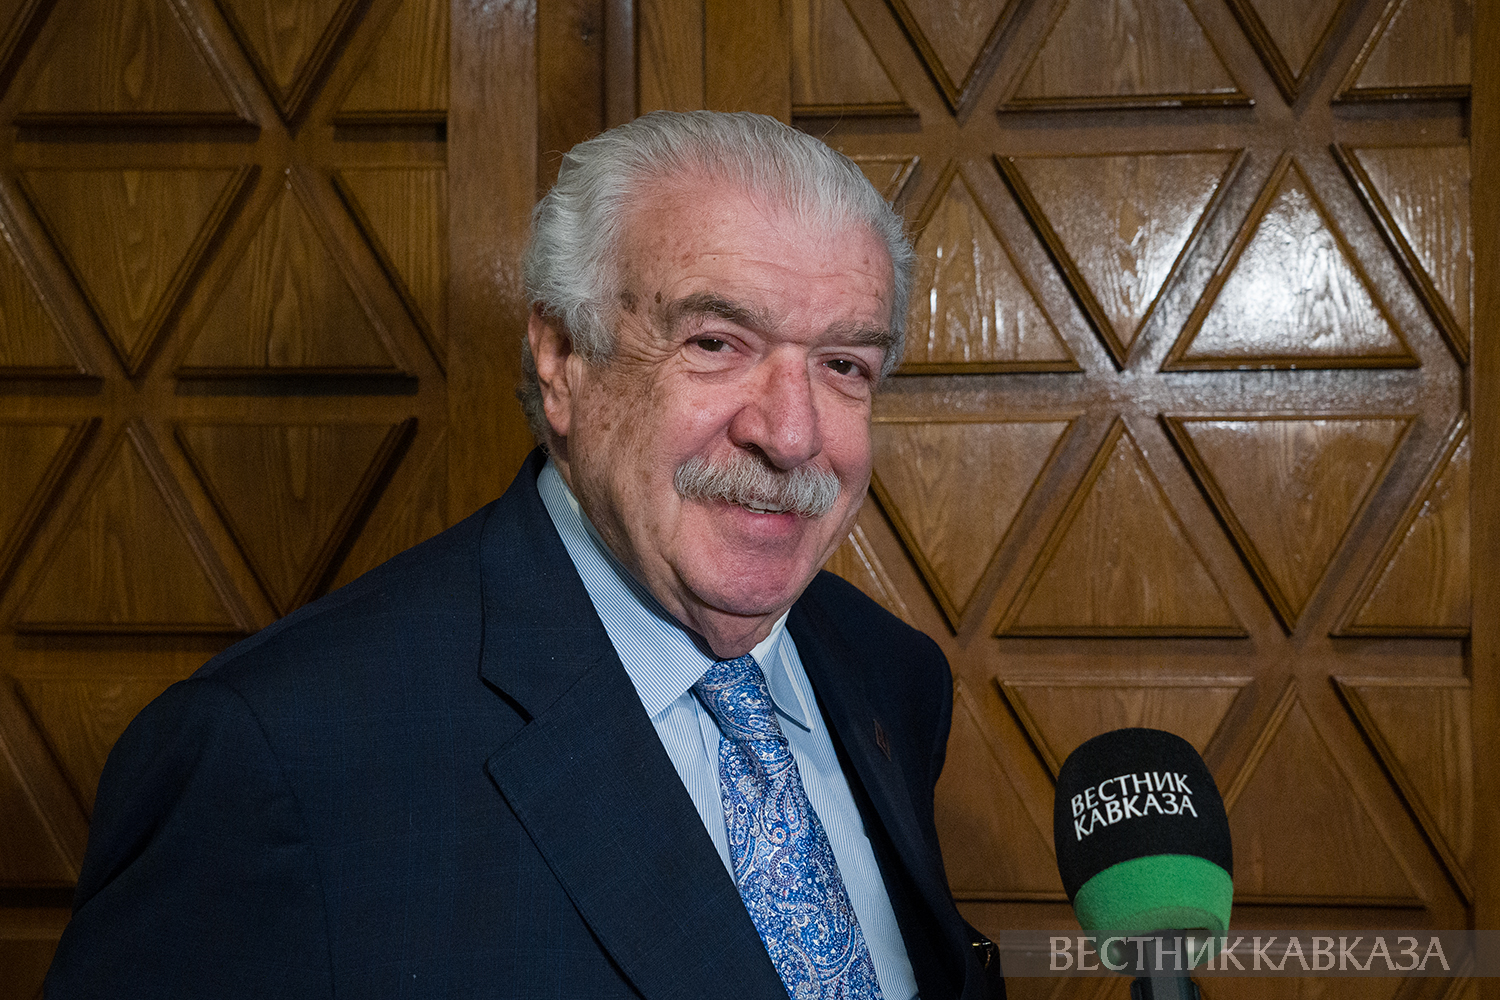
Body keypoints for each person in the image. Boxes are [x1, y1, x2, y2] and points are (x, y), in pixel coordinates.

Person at [46, 111, 1002, 999]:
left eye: (843, 365)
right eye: (716, 342)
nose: (792, 435)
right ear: (561, 361)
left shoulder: (892, 676)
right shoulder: (275, 758)